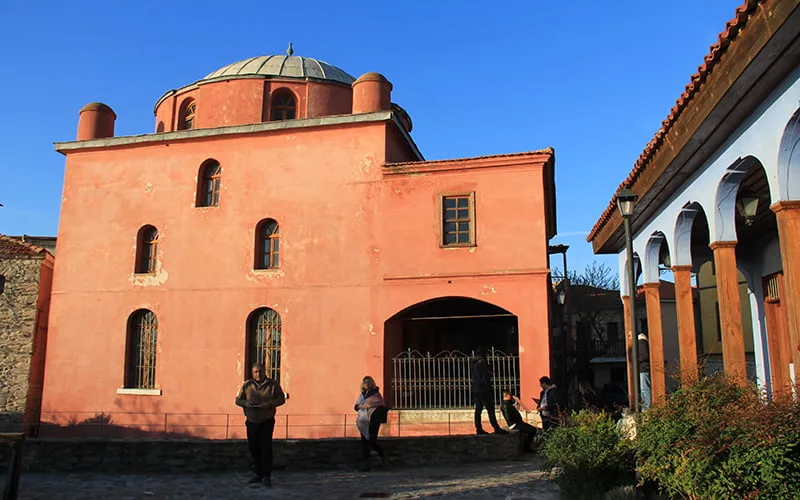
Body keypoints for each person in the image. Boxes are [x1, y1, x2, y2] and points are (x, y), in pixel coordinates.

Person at [235, 362, 286, 487]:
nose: (258, 374)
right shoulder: (246, 385)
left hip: (266, 420)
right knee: (254, 448)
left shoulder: (273, 385)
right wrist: (246, 404)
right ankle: (258, 473)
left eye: (260, 371)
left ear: (265, 371)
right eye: (256, 372)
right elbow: (238, 400)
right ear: (252, 373)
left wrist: (269, 404)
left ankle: (266, 476)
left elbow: (281, 399)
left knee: (265, 448)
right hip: (251, 420)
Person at [471, 346, 509, 435]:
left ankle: (479, 428)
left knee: (478, 410)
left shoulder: (474, 363)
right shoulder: (483, 362)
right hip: (484, 390)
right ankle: (496, 428)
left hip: (476, 390)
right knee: (490, 410)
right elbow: (484, 377)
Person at [354, 375, 388, 471]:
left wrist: (369, 405)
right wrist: (362, 406)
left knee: (372, 440)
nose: (367, 384)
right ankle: (366, 463)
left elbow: (379, 403)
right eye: (365, 383)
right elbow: (356, 406)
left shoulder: (376, 394)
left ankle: (382, 455)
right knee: (364, 442)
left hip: (374, 420)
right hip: (363, 421)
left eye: (369, 382)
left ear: (372, 383)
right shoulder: (362, 395)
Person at [638, 333, 652, 410]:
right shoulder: (642, 342)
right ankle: (645, 408)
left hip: (643, 369)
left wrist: (637, 361)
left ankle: (646, 408)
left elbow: (644, 355)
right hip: (643, 369)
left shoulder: (641, 342)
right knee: (644, 389)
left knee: (644, 389)